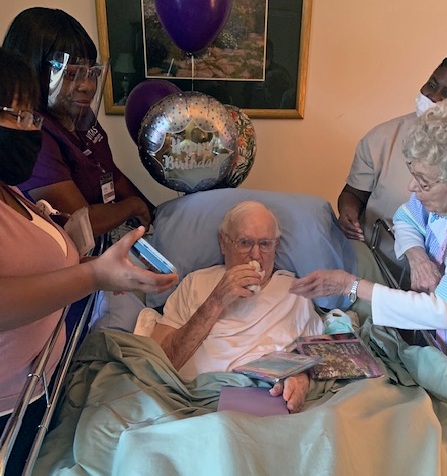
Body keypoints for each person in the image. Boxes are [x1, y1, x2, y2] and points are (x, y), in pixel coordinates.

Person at [0, 47, 178, 475]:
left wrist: (96, 267)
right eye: (15, 115)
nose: (30, 129)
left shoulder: (12, 191)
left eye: (32, 117)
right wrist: (93, 274)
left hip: (40, 384)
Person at [291, 95, 447, 386]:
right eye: (413, 174)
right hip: (438, 353)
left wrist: (350, 285)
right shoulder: (443, 204)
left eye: (424, 182)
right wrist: (418, 257)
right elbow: (405, 220)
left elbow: (444, 311)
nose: (411, 187)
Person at [146, 201, 326, 413]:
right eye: (244, 243)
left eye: (265, 244)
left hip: (265, 399)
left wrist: (300, 378)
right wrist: (216, 300)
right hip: (196, 397)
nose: (256, 255)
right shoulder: (196, 283)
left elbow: (317, 358)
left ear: (276, 246)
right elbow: (158, 364)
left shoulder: (294, 292)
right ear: (223, 243)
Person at [2, 7, 154, 238]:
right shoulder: (31, 134)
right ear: (33, 71)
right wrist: (132, 207)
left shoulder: (80, 117)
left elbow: (112, 174)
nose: (88, 86)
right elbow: (78, 221)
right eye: (72, 74)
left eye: (90, 73)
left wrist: (153, 212)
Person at [337, 52, 447, 250]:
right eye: (431, 84)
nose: (433, 95)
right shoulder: (382, 137)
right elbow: (355, 194)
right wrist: (348, 212)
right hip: (380, 258)